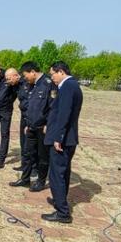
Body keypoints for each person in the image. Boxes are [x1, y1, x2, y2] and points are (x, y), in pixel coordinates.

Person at [42, 61, 83, 223]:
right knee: (63, 172)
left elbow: (64, 113)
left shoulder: (67, 86)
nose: (52, 78)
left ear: (60, 72)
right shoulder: (73, 85)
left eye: (52, 74)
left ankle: (62, 212)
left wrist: (58, 137)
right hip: (68, 137)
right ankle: (60, 200)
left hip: (63, 139)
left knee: (57, 174)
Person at [10, 62, 56, 192]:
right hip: (30, 126)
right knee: (27, 153)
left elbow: (53, 107)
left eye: (26, 75)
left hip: (42, 127)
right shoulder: (33, 85)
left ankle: (40, 181)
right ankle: (25, 179)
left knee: (42, 156)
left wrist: (48, 124)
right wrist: (28, 123)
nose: (25, 78)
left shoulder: (48, 84)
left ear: (33, 72)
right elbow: (31, 106)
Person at [12, 74, 33, 173]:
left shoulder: (28, 83)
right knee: (23, 141)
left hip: (31, 116)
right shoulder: (17, 84)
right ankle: (24, 165)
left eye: (9, 78)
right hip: (23, 116)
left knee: (30, 143)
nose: (8, 81)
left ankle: (33, 168)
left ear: (16, 75)